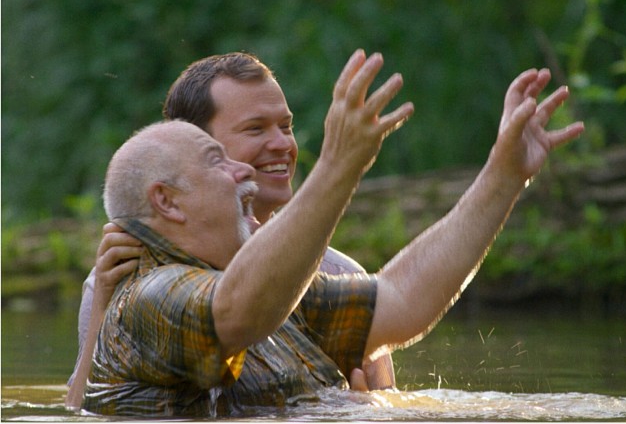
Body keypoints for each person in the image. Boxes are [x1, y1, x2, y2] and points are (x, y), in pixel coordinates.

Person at [81, 53, 584, 417]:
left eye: (286, 126)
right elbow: (235, 312)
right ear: (166, 200)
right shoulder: (145, 295)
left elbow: (403, 299)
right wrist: (340, 165)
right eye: (219, 160)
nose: (243, 172)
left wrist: (504, 175)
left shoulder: (290, 290)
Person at [66, 50, 400, 407]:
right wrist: (103, 300)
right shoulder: (122, 278)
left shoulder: (337, 272)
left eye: (285, 126)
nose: (283, 144)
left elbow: (385, 399)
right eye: (255, 128)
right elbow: (83, 409)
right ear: (193, 144)